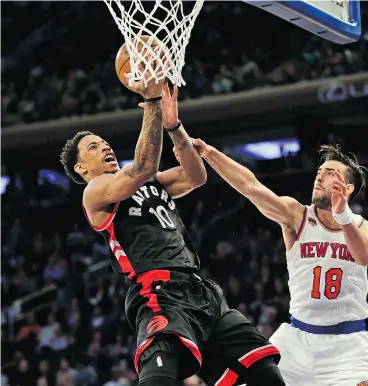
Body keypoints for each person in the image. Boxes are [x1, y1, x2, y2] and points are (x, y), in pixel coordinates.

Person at [60, 67, 284, 386]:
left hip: (202, 291)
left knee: (267, 375)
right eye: (93, 147)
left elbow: (196, 176)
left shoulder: (150, 181)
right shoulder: (95, 191)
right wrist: (151, 100)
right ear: (81, 167)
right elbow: (144, 164)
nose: (105, 147)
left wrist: (174, 127)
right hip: (157, 292)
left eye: (104, 142)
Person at [192, 138, 368, 386]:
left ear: (347, 188)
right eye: (319, 172)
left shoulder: (363, 228)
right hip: (297, 341)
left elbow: (363, 256)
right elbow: (251, 187)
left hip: (348, 345)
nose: (319, 177)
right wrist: (210, 153)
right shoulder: (297, 216)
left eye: (330, 174)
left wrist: (343, 216)